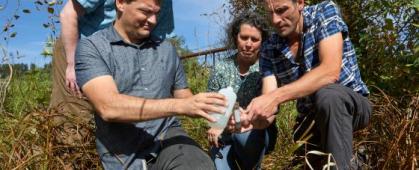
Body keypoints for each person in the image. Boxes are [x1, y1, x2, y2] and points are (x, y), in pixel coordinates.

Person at [75, 0, 225, 169]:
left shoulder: (167, 50)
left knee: (198, 165)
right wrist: (182, 105)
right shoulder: (92, 48)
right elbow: (108, 107)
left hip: (168, 138)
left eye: (156, 13)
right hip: (123, 153)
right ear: (121, 3)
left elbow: (184, 96)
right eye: (145, 12)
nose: (153, 20)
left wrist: (218, 112)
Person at [242, 0, 372, 169]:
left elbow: (329, 71)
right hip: (310, 122)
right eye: (269, 13)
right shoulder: (268, 49)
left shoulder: (324, 12)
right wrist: (250, 119)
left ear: (301, 3)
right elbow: (269, 107)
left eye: (281, 10)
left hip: (351, 107)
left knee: (329, 96)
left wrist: (275, 97)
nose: (275, 20)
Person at [50, 0, 173, 126]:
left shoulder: (166, 3)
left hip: (124, 53)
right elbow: (68, 14)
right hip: (77, 46)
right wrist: (73, 63)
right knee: (75, 113)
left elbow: (156, 38)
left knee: (122, 112)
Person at [206, 11, 277, 170]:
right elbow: (210, 104)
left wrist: (235, 116)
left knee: (243, 136)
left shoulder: (265, 68)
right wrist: (216, 123)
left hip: (254, 133)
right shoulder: (221, 67)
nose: (248, 44)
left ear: (262, 42)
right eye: (244, 37)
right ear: (235, 38)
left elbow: (268, 108)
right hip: (224, 136)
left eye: (255, 39)